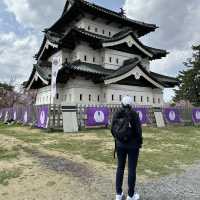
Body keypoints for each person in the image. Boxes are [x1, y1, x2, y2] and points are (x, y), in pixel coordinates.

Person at [111, 96, 143, 200]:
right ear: (131, 104)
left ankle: (118, 194)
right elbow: (138, 131)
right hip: (133, 146)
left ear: (121, 104)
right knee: (132, 169)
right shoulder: (134, 114)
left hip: (120, 145)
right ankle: (130, 195)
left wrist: (118, 138)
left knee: (120, 168)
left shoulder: (117, 113)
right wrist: (139, 142)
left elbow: (112, 129)